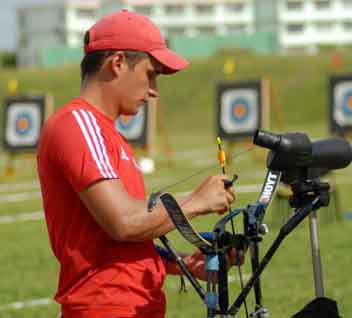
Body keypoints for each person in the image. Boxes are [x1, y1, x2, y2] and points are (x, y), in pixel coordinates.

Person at [37, 10, 240, 318]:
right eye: (151, 73)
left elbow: (119, 244)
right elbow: (124, 223)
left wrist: (190, 262)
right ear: (117, 63)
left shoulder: (109, 135)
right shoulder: (77, 123)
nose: (154, 89)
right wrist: (196, 202)